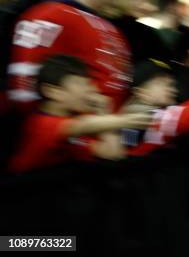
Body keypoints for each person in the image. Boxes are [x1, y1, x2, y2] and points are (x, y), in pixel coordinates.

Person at [7, 0, 132, 112]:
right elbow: (23, 88)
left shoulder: (108, 26)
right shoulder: (48, 15)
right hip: (69, 132)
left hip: (103, 129)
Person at [8, 55, 151, 173]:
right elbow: (83, 125)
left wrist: (103, 111)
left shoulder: (73, 124)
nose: (91, 90)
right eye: (80, 84)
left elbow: (113, 153)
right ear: (52, 91)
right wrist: (127, 120)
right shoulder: (42, 123)